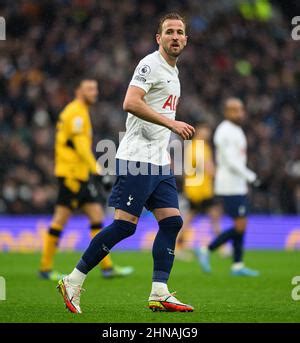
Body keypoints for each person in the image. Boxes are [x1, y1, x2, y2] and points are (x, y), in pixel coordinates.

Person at [57, 12, 195, 314]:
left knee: (172, 221)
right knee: (124, 226)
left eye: (180, 32)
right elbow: (130, 102)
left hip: (158, 161)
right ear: (158, 38)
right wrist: (171, 126)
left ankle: (159, 292)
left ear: (186, 38)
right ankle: (73, 279)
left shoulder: (173, 71)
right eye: (169, 31)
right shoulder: (150, 64)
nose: (175, 36)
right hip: (136, 158)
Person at [39, 79, 133, 280]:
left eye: (96, 89)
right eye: (90, 89)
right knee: (60, 219)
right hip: (72, 175)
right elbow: (81, 147)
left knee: (97, 215)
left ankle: (106, 267)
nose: (94, 92)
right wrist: (98, 171)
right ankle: (45, 269)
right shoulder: (76, 113)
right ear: (78, 91)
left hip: (80, 174)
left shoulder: (79, 111)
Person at [198, 98, 259, 276]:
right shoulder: (224, 131)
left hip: (237, 184)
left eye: (241, 109)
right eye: (235, 110)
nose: (240, 113)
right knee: (240, 224)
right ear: (226, 112)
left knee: (241, 224)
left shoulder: (236, 130)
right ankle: (206, 249)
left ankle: (238, 265)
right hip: (229, 184)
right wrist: (251, 176)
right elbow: (231, 161)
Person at [177, 121, 223, 261]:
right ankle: (176, 246)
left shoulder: (199, 146)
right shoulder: (198, 146)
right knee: (210, 216)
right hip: (198, 190)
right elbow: (206, 167)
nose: (207, 133)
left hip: (202, 189)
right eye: (205, 130)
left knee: (212, 216)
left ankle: (221, 247)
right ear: (198, 131)